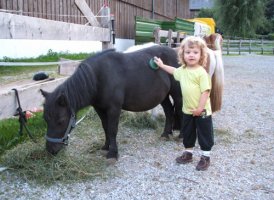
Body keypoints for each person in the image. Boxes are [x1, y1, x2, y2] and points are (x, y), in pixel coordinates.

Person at [153, 36, 214, 171]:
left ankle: (205, 157)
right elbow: (174, 71)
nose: (191, 55)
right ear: (183, 55)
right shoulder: (183, 70)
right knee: (187, 132)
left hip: (202, 111)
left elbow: (206, 92)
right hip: (187, 110)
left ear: (201, 55)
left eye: (195, 52)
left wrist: (200, 108)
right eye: (188, 52)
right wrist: (162, 66)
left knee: (204, 134)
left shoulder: (201, 73)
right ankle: (188, 153)